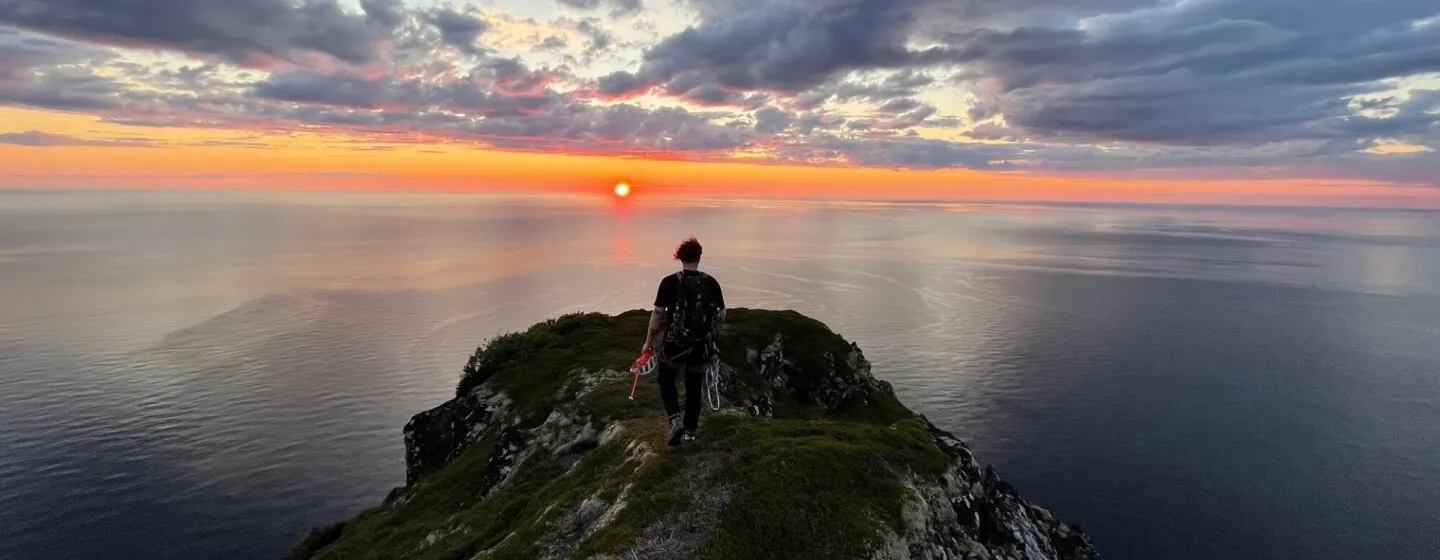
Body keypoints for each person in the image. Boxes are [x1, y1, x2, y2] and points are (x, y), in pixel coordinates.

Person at [643, 236, 725, 447]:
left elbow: (658, 314)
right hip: (701, 345)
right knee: (694, 386)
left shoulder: (670, 282)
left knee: (666, 379)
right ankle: (690, 432)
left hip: (675, 344)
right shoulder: (711, 282)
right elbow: (722, 315)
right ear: (699, 256)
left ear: (679, 257)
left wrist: (649, 341)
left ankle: (674, 420)